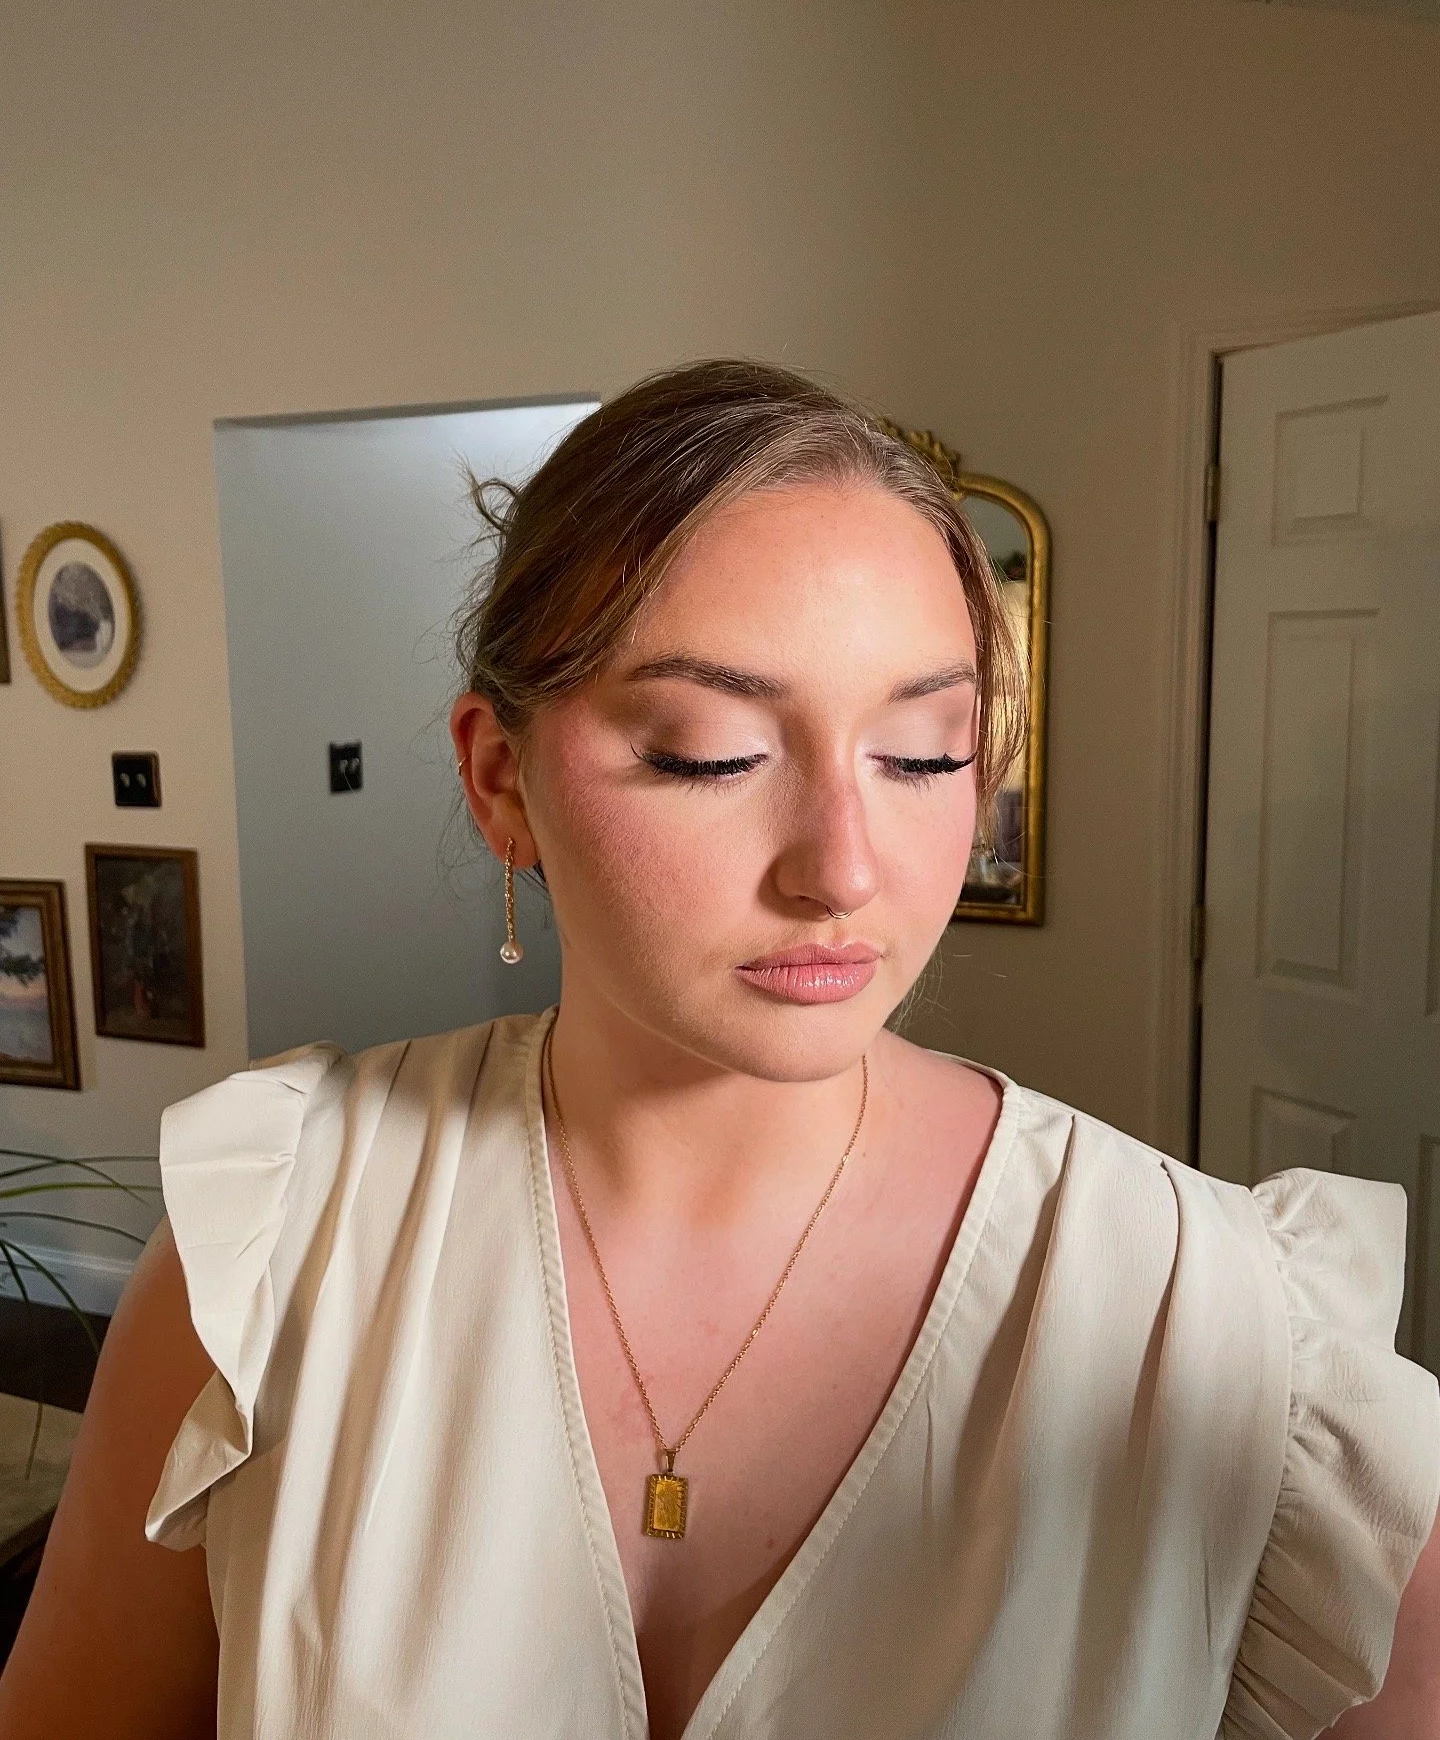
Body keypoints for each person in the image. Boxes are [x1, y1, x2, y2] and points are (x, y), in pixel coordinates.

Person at [1, 360, 1436, 1740]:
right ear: (501, 779)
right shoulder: (270, 1253)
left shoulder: (1234, 1335)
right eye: (706, 751)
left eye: (927, 752)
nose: (841, 868)